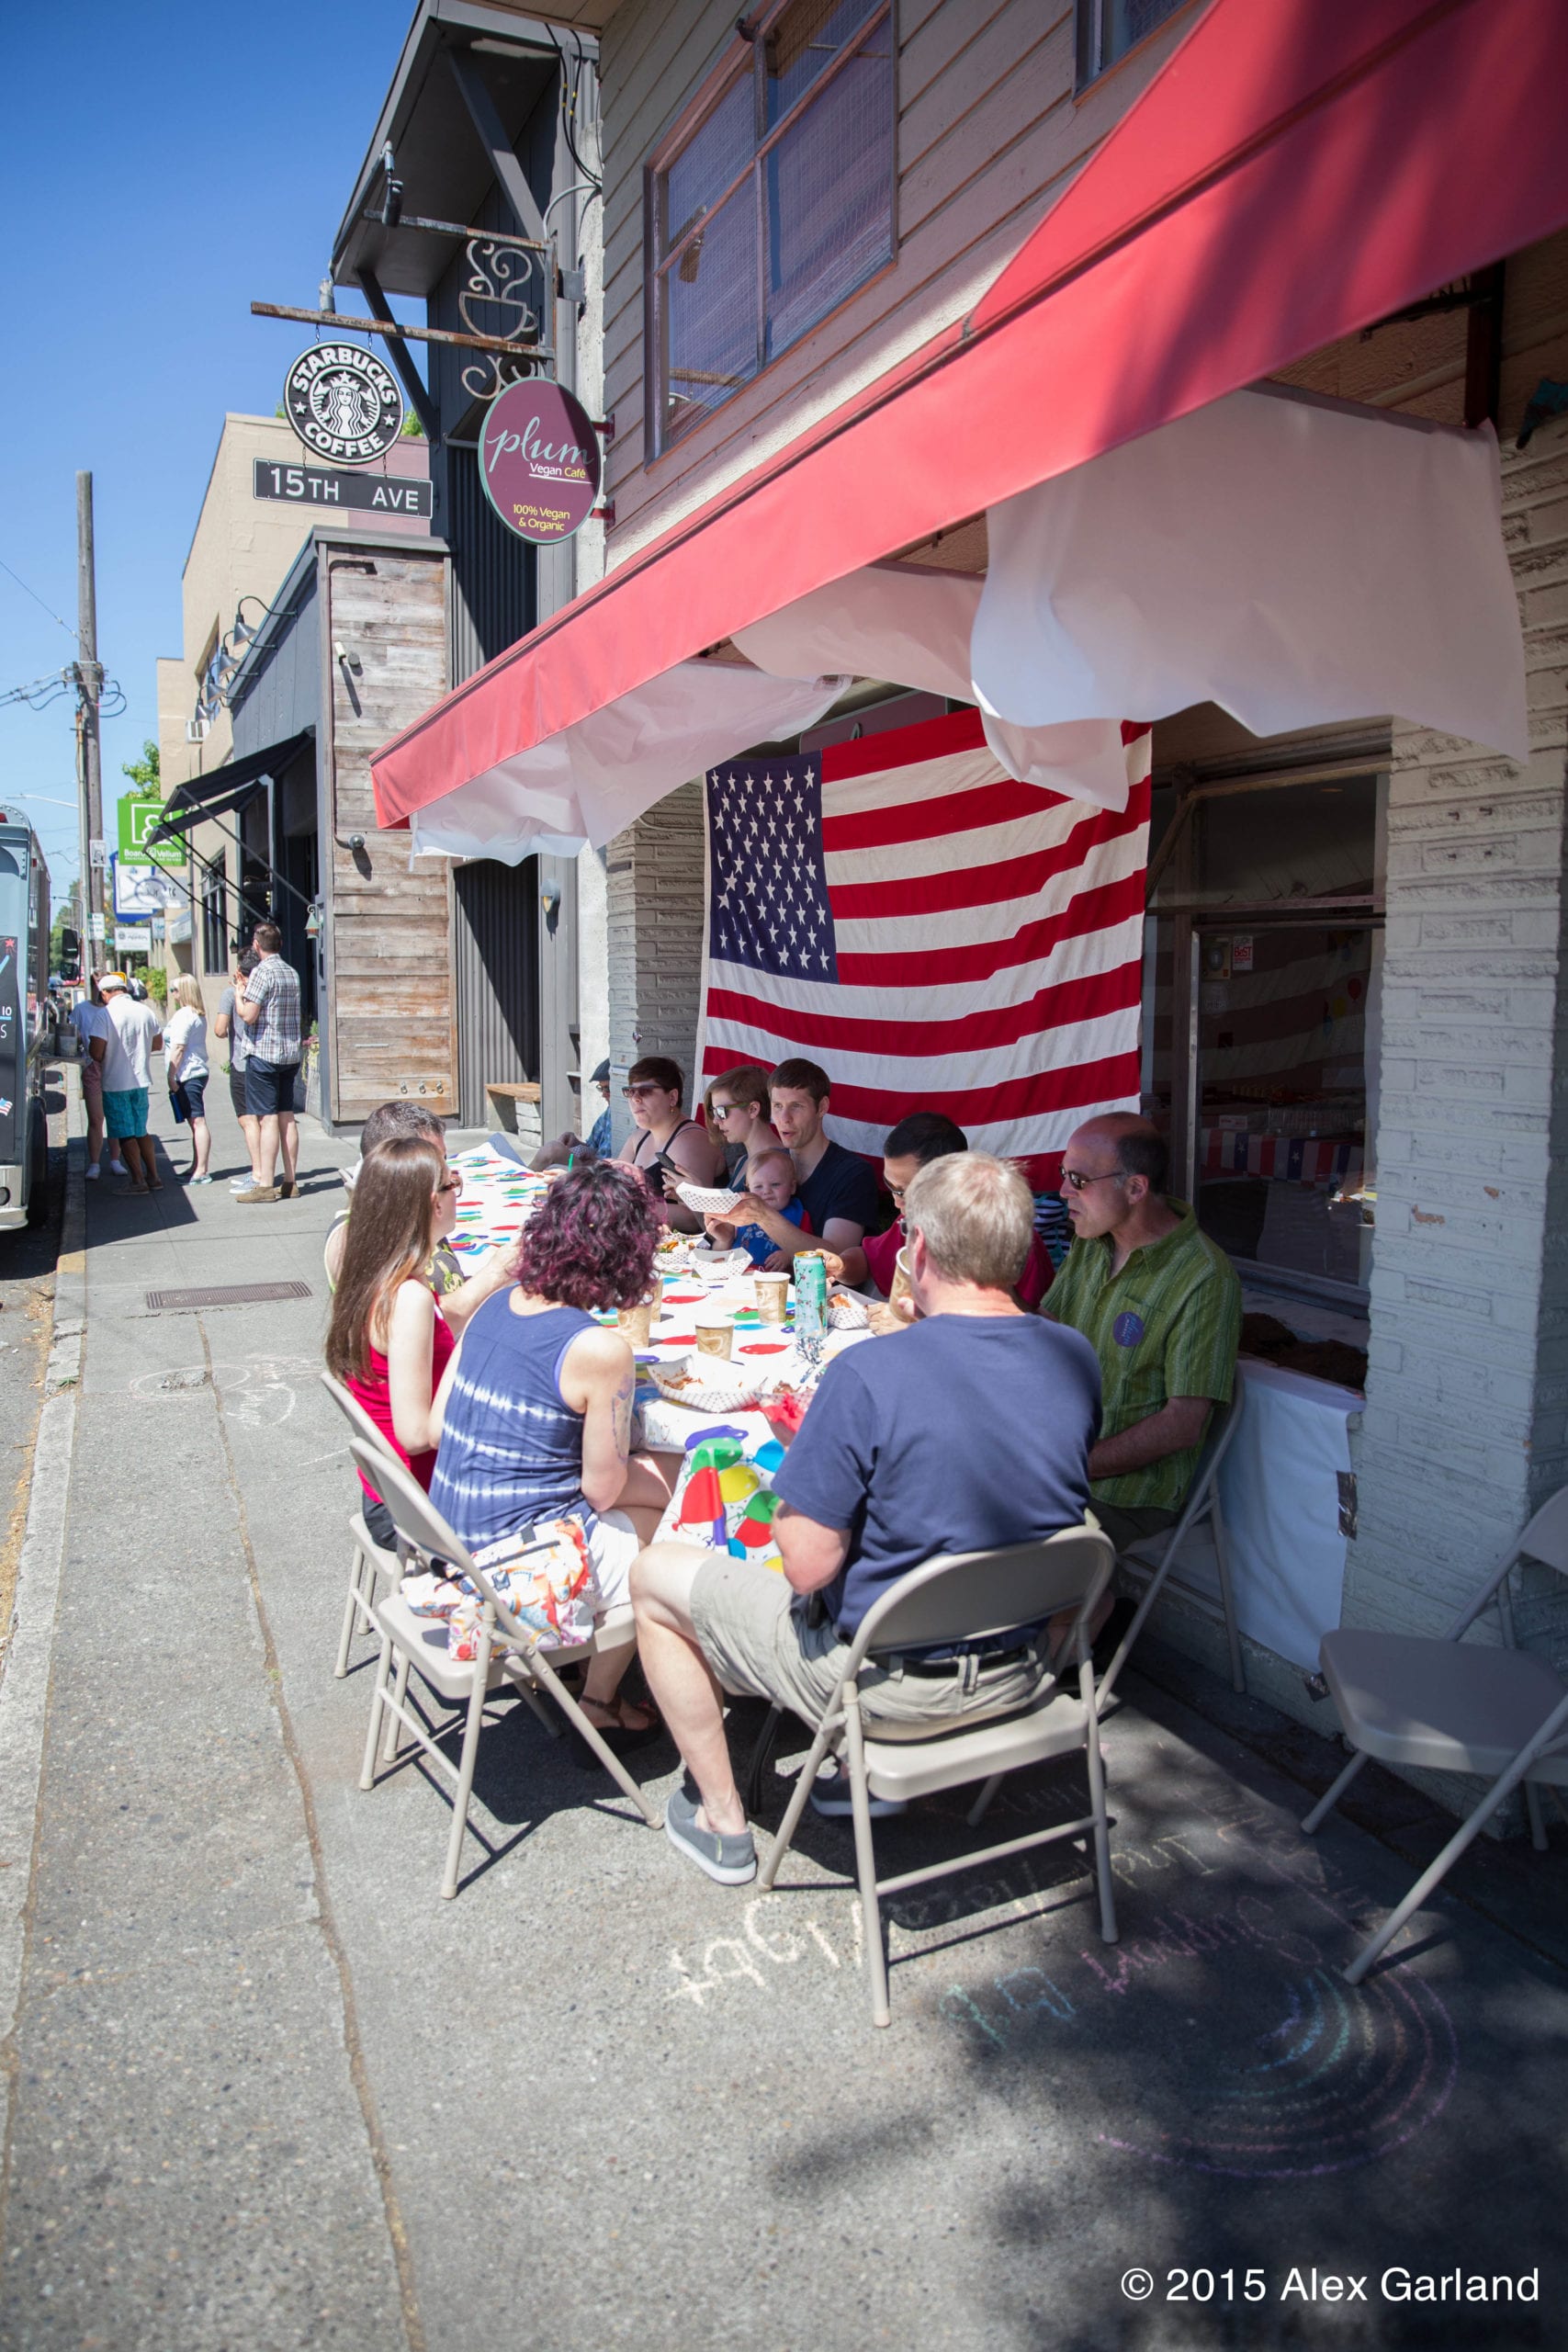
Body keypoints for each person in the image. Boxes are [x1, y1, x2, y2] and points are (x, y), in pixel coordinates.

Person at [631, 1152, 1103, 1884]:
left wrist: (806, 1459)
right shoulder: (1075, 1357)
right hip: (1026, 1669)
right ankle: (850, 1773)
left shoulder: (867, 1373)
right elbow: (991, 1479)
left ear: (917, 1249)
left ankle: (722, 1818)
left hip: (886, 1685)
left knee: (654, 1576)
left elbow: (806, 1566)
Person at [429, 1161, 682, 1740]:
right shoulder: (596, 1347)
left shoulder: (495, 1302)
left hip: (448, 1540)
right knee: (672, 1520)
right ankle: (597, 1696)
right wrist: (676, 1478)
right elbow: (603, 1489)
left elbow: (442, 1424)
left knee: (649, 1492)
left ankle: (577, 1673)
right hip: (508, 1570)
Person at [1044, 1114, 1242, 1558]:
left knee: (994, 1556)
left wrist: (1070, 1467)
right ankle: (1078, 1615)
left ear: (1136, 1188)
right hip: (1057, 1455)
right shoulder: (1093, 1241)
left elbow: (1181, 1426)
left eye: (1078, 1179)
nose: (1063, 1193)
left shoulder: (1204, 1278)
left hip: (1127, 1492)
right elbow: (1047, 1330)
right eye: (1063, 1176)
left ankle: (1076, 1617)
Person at [324, 1136, 460, 1555]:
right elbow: (417, 1434)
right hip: (421, 1507)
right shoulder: (409, 1299)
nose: (458, 1191)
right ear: (433, 1204)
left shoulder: (372, 1275)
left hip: (386, 1490)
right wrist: (470, 1349)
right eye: (452, 1183)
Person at [823, 1112, 1054, 1313]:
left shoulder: (1013, 1242)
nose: (896, 1203)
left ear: (948, 1180)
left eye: (906, 1192)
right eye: (889, 1186)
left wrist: (917, 1323)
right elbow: (870, 1261)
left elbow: (1027, 1328)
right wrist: (841, 1266)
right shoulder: (912, 1221)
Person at [325, 1102, 514, 1335]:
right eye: (433, 1161)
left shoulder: (409, 1215)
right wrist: (496, 1272)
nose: (449, 1171)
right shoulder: (356, 1235)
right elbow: (423, 1322)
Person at [719, 1057, 880, 1263]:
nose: (784, 1118)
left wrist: (763, 1215)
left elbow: (837, 1260)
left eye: (796, 1106)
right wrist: (724, 1235)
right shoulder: (768, 1165)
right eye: (777, 1106)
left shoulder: (852, 1174)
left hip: (821, 1293)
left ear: (821, 1107)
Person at [615, 1055, 723, 1229]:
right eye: (630, 1091)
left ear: (672, 1097)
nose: (635, 1099)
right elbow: (614, 1184)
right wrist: (574, 1152)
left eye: (645, 1091)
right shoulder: (639, 1136)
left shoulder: (691, 1141)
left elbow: (695, 1219)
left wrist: (631, 1207)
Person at [234, 922, 301, 1204]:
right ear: (281, 945)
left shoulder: (262, 971)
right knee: (287, 1116)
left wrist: (239, 994)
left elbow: (249, 1015)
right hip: (290, 1053)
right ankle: (290, 1181)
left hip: (264, 1053)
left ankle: (265, 1185)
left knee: (268, 1118)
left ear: (256, 945)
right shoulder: (291, 972)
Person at [97, 972, 163, 1193]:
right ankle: (154, 1177)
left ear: (106, 993)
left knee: (125, 1133)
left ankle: (137, 1181)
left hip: (115, 1081)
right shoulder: (144, 1010)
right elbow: (157, 1044)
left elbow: (97, 1051)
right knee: (141, 1130)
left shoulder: (105, 1014)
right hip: (141, 1079)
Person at [704, 1145, 807, 1268]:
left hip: (773, 1281)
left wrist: (789, 1256)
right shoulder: (741, 1213)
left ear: (792, 1187)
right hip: (738, 1276)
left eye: (775, 1184)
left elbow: (808, 1251)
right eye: (758, 1187)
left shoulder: (800, 1214)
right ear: (748, 1189)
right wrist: (724, 1240)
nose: (766, 1191)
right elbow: (718, 1254)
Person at [214, 949, 262, 1192]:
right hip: (264, 1062)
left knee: (247, 1120)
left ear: (238, 971)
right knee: (266, 1120)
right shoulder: (264, 991)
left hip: (241, 1063)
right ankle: (264, 1170)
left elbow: (220, 1030)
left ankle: (257, 1172)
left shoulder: (230, 994)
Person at [164, 976, 212, 1183]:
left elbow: (179, 1047)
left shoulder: (185, 1014)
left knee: (197, 1120)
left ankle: (201, 1170)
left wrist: (171, 1075)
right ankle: (197, 1166)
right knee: (194, 1122)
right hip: (195, 1071)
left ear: (183, 991)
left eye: (174, 989)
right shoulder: (196, 1014)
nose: (172, 993)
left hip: (188, 1073)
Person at [703, 1065, 779, 1180]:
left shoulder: (777, 1164)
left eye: (721, 1111)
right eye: (714, 1111)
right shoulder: (743, 1161)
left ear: (753, 1109)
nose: (715, 1120)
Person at [71, 977, 110, 1179]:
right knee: (95, 1117)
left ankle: (115, 1159)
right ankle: (94, 1163)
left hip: (113, 1065)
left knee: (115, 1116)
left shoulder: (114, 1009)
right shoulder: (81, 1009)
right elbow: (72, 1031)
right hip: (91, 1066)